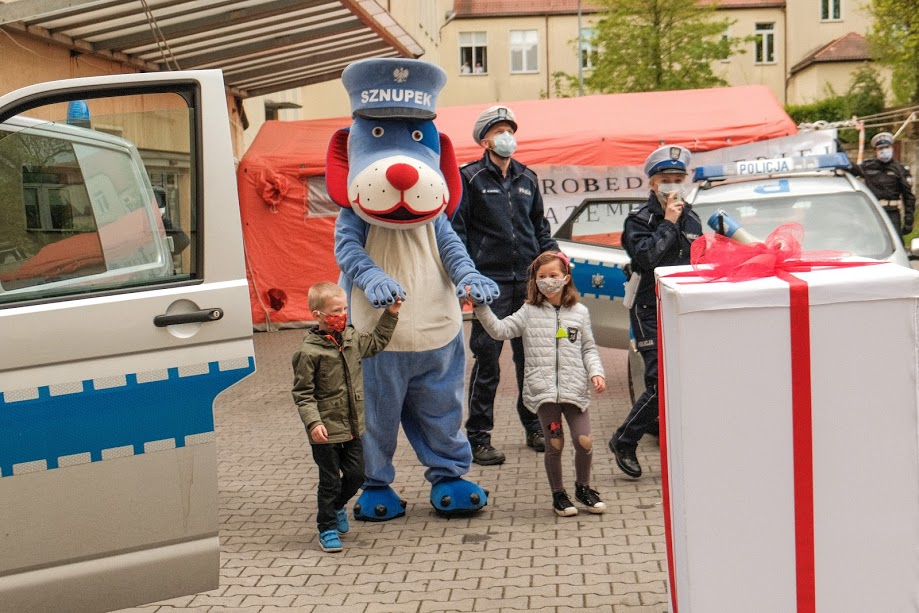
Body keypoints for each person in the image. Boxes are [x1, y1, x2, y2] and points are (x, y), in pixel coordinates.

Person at [452, 105, 560, 465]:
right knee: (488, 363)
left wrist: (554, 256)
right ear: (485, 139)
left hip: (528, 284)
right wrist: (467, 276)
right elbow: (458, 232)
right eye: (500, 131)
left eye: (510, 130)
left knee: (531, 360)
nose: (507, 137)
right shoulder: (469, 178)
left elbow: (539, 227)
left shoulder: (527, 178)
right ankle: (478, 437)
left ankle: (533, 427)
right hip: (490, 285)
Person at [471, 251, 607, 516]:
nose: (547, 281)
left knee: (585, 441)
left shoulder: (579, 312)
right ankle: (559, 494)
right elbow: (500, 330)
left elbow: (588, 348)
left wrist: (596, 372)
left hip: (575, 389)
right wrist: (481, 308)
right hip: (544, 392)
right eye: (541, 276)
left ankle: (584, 488)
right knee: (554, 443)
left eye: (553, 276)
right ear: (534, 280)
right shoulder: (528, 312)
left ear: (566, 278)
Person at [608, 145, 702, 479]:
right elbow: (648, 260)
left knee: (686, 379)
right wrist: (668, 222)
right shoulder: (639, 220)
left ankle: (677, 445)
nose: (674, 185)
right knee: (660, 382)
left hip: (683, 306)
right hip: (649, 307)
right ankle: (624, 439)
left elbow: (697, 261)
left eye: (679, 178)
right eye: (666, 179)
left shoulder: (692, 217)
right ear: (653, 184)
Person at [291, 281, 401, 552]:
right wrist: (313, 422)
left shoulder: (352, 340)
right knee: (329, 481)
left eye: (343, 309)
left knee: (356, 474)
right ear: (318, 315)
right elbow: (303, 393)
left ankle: (338, 505)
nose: (342, 315)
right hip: (325, 430)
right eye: (335, 311)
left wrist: (392, 314)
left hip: (353, 426)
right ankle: (327, 527)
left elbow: (375, 343)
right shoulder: (308, 353)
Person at [853, 132, 915, 237]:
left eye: (886, 147)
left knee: (895, 243)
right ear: (876, 151)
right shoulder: (868, 166)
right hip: (873, 212)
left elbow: (908, 196)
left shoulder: (900, 169)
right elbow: (851, 169)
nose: (884, 151)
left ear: (892, 148)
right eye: (880, 148)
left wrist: (909, 219)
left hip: (892, 214)